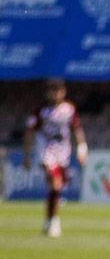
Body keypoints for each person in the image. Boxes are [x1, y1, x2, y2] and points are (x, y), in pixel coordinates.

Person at [23, 77, 85, 238]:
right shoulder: (40, 111)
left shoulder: (69, 109)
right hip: (46, 151)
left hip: (63, 152)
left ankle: (48, 219)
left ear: (63, 92)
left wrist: (82, 148)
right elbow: (29, 132)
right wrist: (26, 155)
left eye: (59, 91)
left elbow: (76, 129)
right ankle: (54, 222)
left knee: (58, 186)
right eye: (53, 91)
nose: (56, 94)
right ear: (47, 93)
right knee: (56, 184)